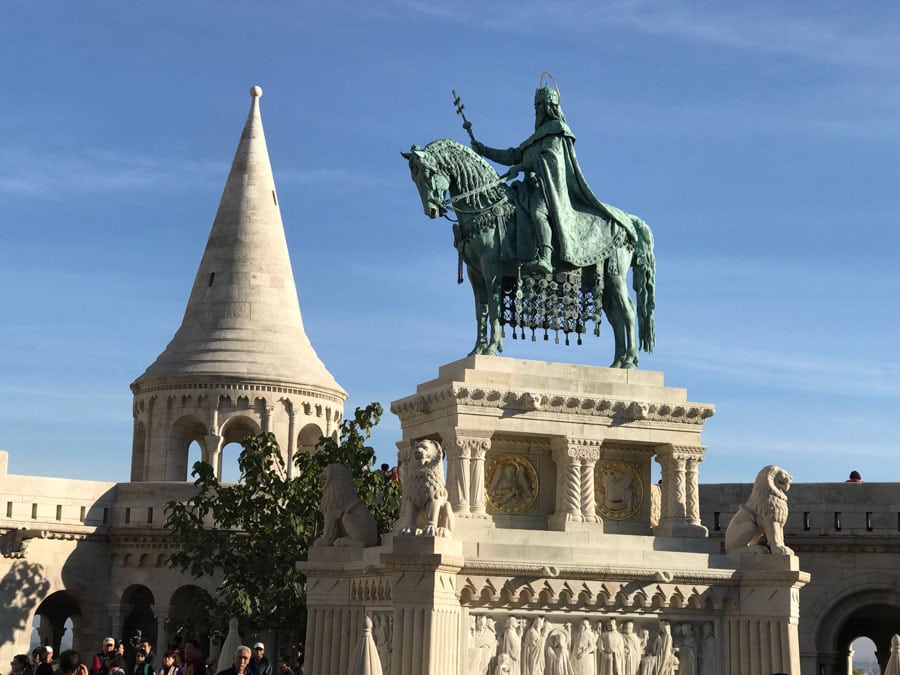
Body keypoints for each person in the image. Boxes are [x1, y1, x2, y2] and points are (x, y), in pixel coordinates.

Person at [471, 81, 630, 274]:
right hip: (528, 188)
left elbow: (551, 160)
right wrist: (484, 150)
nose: (536, 110)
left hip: (548, 189)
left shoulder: (557, 131)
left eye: (539, 105)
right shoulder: (535, 137)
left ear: (548, 107)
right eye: (535, 106)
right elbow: (512, 154)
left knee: (538, 213)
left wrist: (521, 166)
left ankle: (545, 256)